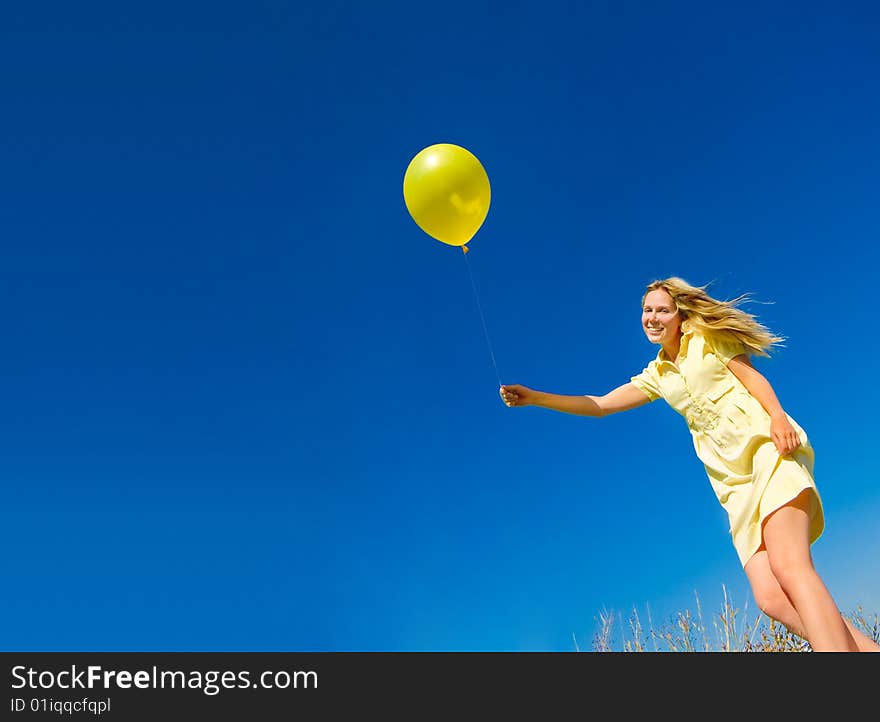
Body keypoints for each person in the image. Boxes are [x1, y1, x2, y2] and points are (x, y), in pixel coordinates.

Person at [500, 277, 879, 652]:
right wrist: (535, 398)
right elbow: (600, 405)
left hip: (768, 450)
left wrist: (777, 416)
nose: (652, 317)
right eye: (646, 310)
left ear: (679, 314)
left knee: (790, 567)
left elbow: (752, 378)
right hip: (732, 485)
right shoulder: (658, 375)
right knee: (771, 598)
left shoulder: (706, 337)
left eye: (662, 310)